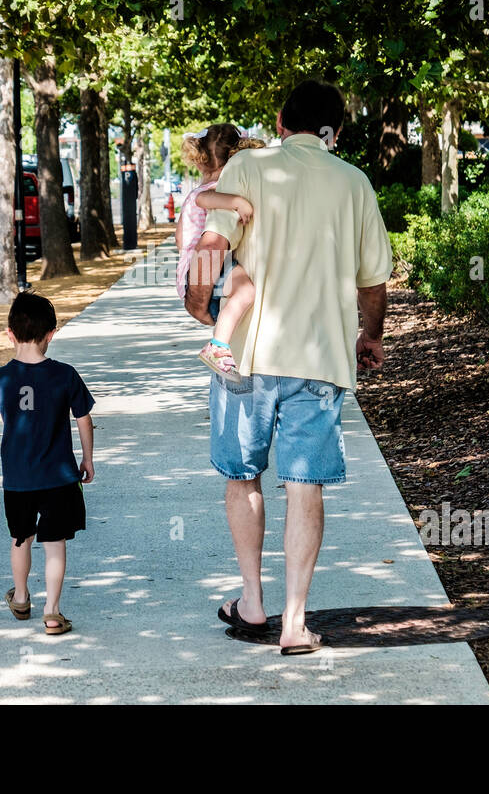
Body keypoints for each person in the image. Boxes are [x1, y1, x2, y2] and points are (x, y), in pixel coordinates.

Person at [185, 80, 393, 655]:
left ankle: (252, 602)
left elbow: (211, 245)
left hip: (245, 358)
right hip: (320, 360)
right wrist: (368, 337)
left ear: (279, 121)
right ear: (337, 131)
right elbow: (373, 281)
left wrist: (200, 305)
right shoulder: (355, 182)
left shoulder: (247, 170)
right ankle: (296, 622)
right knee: (304, 483)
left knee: (242, 474)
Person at [0, 292, 95, 636]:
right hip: (59, 478)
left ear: (9, 333)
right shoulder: (65, 375)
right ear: (50, 333)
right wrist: (87, 458)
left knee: (20, 537)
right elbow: (83, 418)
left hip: (18, 480)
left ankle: (22, 596)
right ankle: (52, 612)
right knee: (55, 543)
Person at [173, 124, 264, 378]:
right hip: (203, 265)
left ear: (200, 160)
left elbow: (179, 239)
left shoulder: (192, 194)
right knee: (246, 292)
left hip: (190, 270)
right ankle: (218, 346)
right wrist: (236, 202)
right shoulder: (210, 192)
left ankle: (222, 345)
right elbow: (207, 200)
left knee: (242, 294)